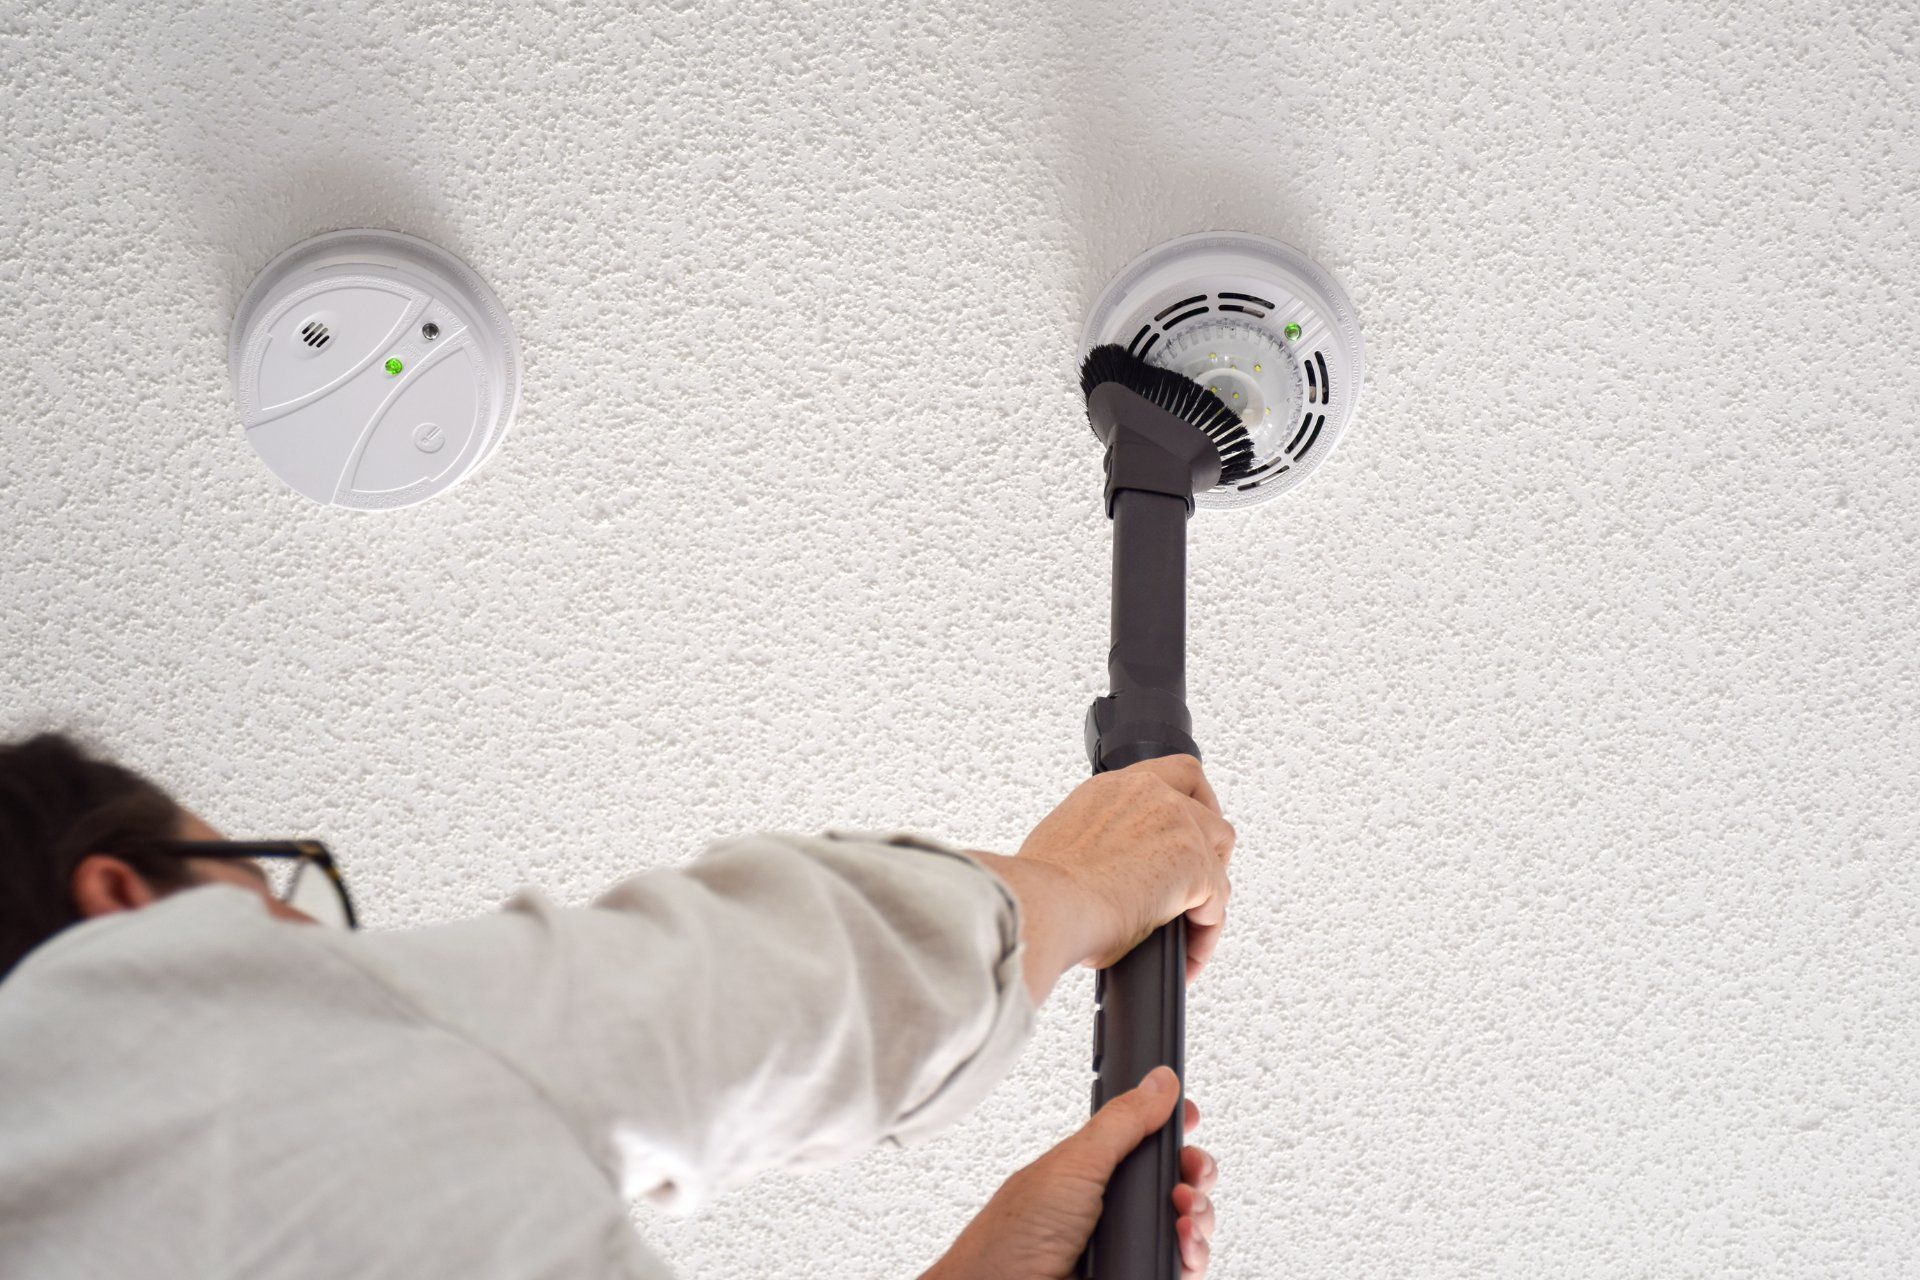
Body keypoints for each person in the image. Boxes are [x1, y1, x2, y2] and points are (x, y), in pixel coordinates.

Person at [0, 732, 1235, 1278]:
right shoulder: (115, 1047)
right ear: (127, 901)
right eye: (269, 900)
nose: (310, 961)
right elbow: (768, 990)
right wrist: (1084, 880)